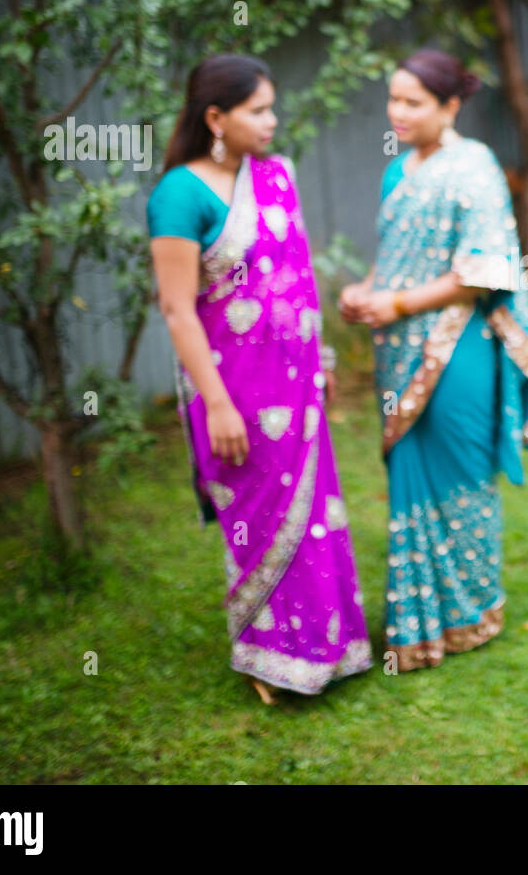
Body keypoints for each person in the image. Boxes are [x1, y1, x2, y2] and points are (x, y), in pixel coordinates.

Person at [147, 53, 372, 703]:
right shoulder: (179, 195)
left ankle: (328, 644)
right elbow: (175, 307)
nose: (273, 121)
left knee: (313, 516)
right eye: (259, 110)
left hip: (296, 384)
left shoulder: (276, 175)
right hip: (234, 392)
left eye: (273, 107)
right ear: (215, 117)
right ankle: (269, 654)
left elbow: (300, 276)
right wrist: (216, 405)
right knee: (260, 518)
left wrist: (321, 359)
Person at [339, 48, 528, 672]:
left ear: (450, 105)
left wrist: (397, 303)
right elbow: (392, 255)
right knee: (410, 475)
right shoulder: (398, 172)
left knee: (461, 478)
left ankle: (470, 613)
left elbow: (485, 269)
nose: (397, 112)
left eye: (413, 102)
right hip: (399, 347)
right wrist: (366, 290)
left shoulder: (475, 167)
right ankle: (418, 622)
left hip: (455, 348)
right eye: (393, 99)